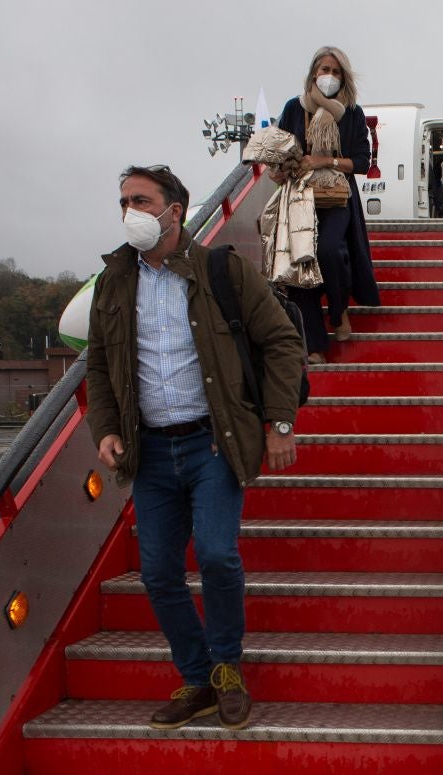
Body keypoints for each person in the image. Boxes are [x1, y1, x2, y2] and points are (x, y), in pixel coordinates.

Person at [86, 164, 305, 731]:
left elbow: (282, 341)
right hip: (151, 450)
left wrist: (280, 422)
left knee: (215, 554)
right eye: (124, 201)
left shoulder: (221, 269)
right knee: (158, 572)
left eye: (141, 200)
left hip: (212, 443)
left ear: (174, 211)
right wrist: (105, 429)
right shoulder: (113, 281)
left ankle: (228, 668)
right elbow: (99, 364)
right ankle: (197, 676)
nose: (129, 211)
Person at [273, 45, 381, 365]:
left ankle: (338, 309)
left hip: (337, 196)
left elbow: (362, 161)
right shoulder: (294, 108)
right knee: (303, 265)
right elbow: (278, 148)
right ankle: (315, 346)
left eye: (335, 71)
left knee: (330, 249)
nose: (329, 76)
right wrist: (282, 166)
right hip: (300, 197)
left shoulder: (351, 112)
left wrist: (326, 160)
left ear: (343, 77)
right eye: (324, 70)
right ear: (313, 73)